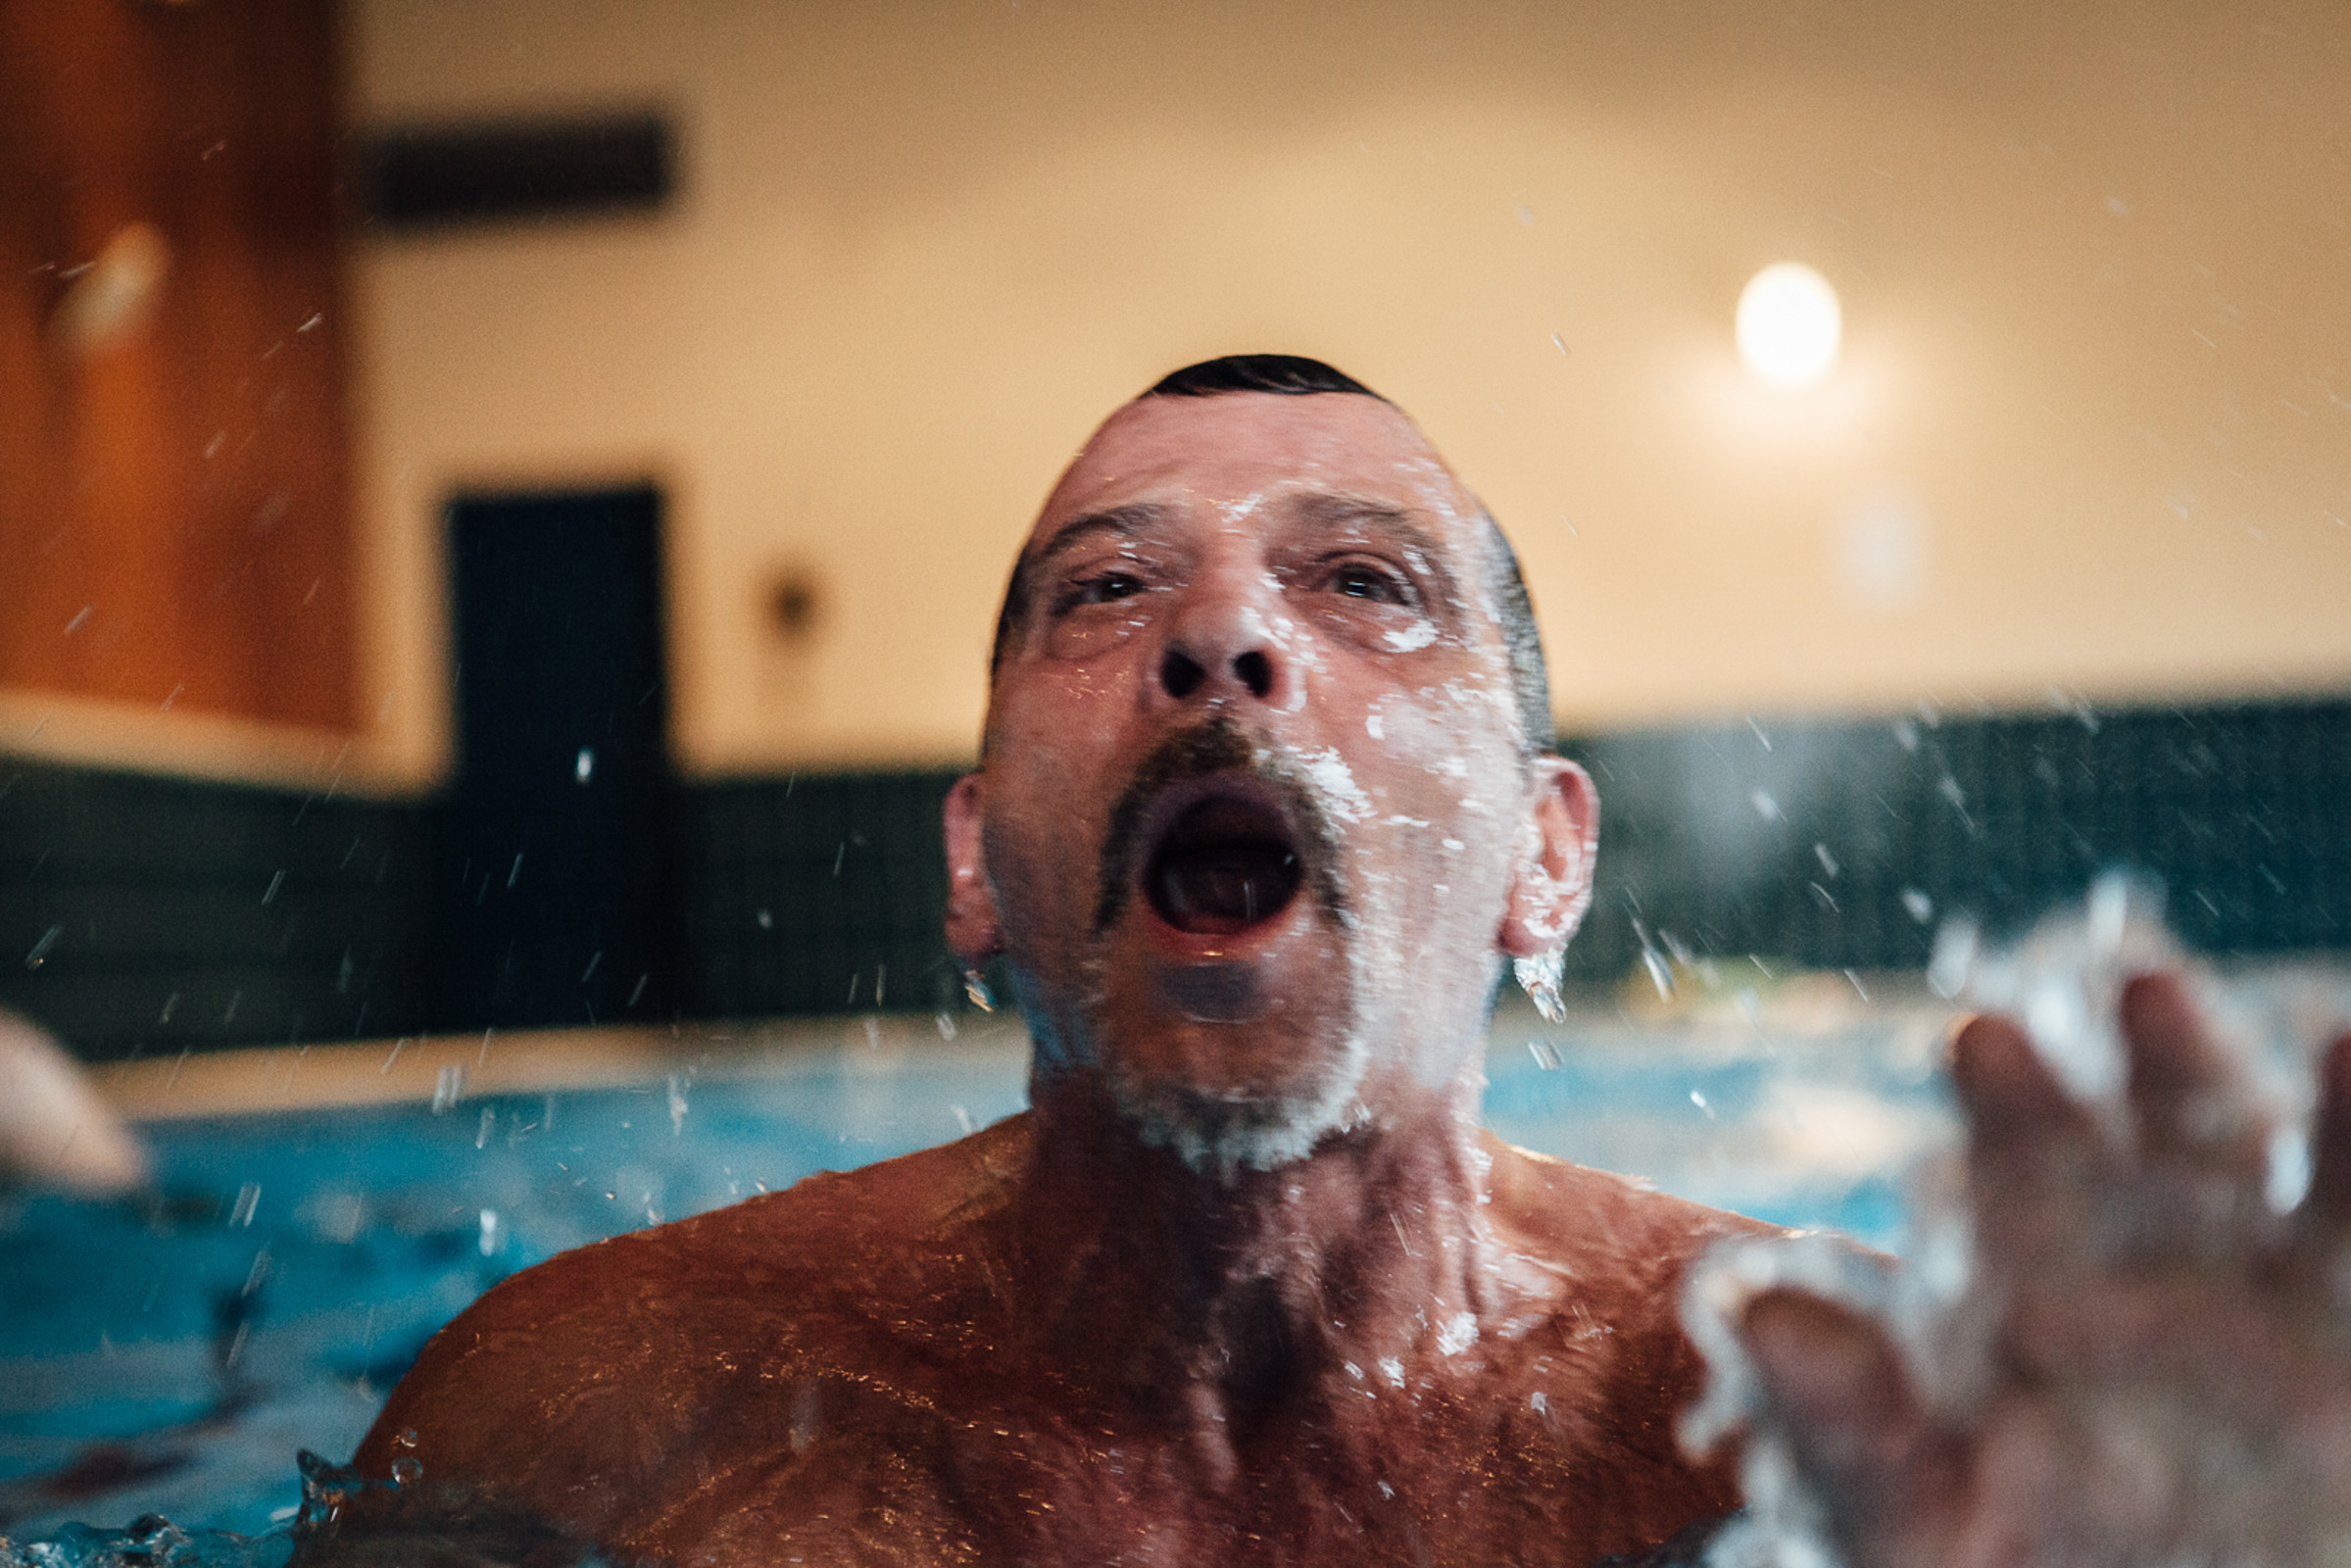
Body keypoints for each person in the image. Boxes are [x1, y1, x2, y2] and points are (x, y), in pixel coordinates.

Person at [310, 358, 2351, 1567]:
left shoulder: (1836, 1431)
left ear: (1551, 861)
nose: (1224, 637)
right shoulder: (585, 1415)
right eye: (1109, 588)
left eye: (1364, 583)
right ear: (971, 863)